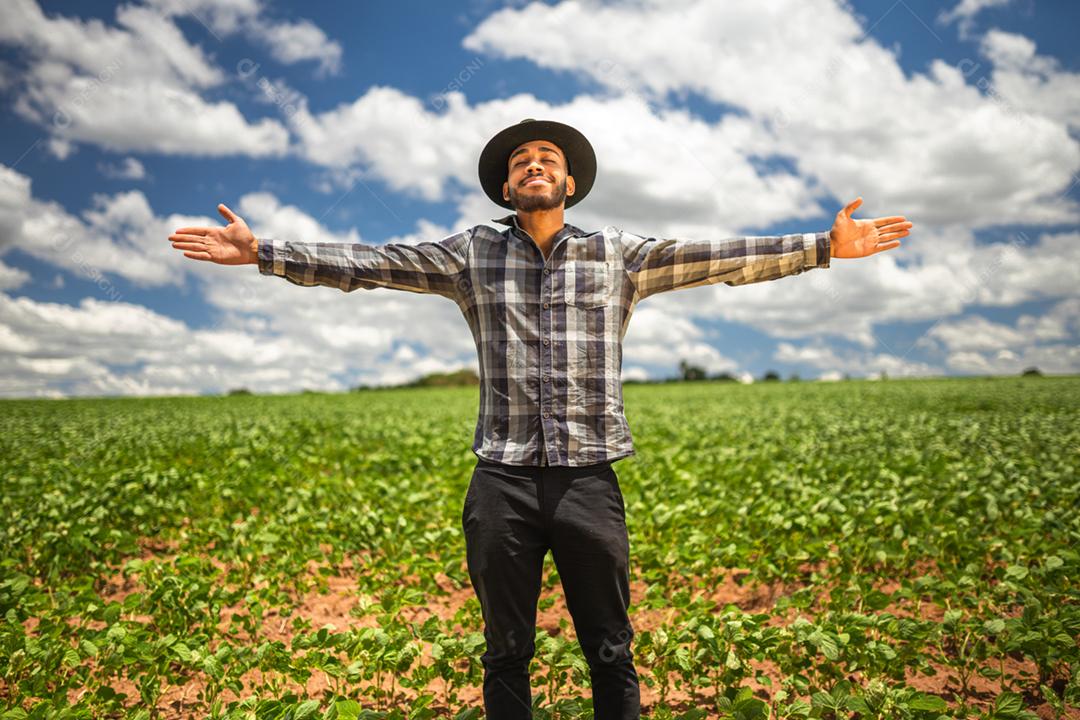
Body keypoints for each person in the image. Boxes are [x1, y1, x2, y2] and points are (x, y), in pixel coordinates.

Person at [168, 118, 913, 719]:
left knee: (611, 649)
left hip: (590, 478)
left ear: (570, 182)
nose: (533, 165)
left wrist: (822, 247)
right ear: (505, 184)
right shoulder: (468, 255)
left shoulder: (620, 256)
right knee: (506, 650)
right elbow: (370, 262)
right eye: (520, 159)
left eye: (547, 157)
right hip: (503, 482)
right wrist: (265, 252)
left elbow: (721, 257)